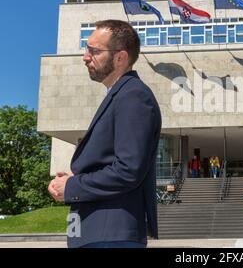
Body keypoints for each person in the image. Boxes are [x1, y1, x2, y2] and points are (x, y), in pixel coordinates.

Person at [47, 19, 162, 248]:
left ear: (120, 58)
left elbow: (128, 170)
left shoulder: (133, 96)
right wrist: (73, 179)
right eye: (86, 48)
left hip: (111, 234)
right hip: (97, 232)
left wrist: (72, 186)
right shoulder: (120, 95)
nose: (85, 56)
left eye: (94, 50)